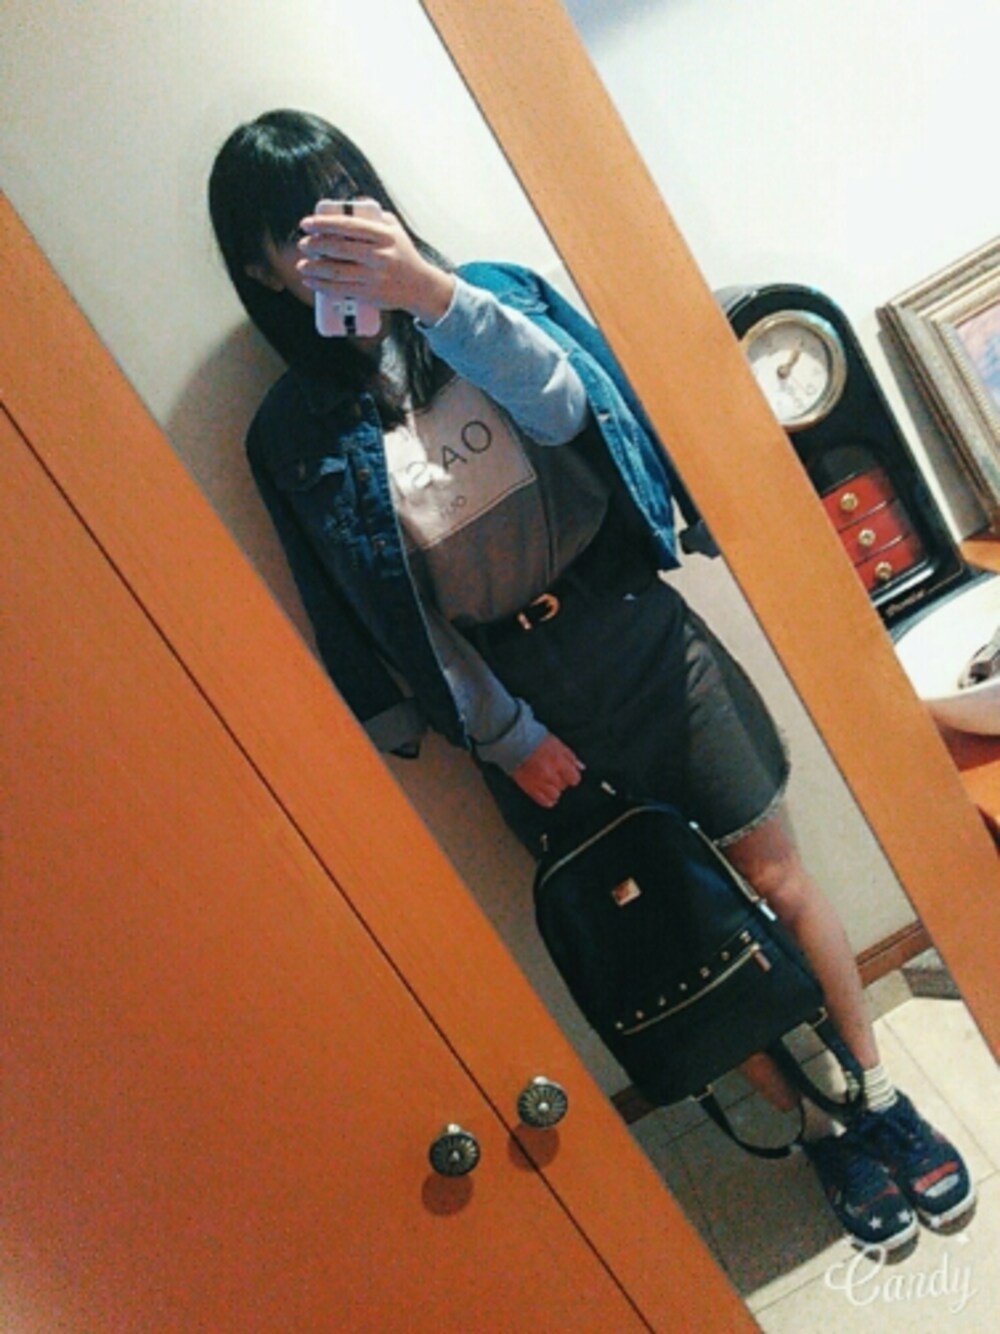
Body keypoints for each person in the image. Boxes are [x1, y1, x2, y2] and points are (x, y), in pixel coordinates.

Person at [208, 109, 973, 1252]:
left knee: (776, 873)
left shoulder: (487, 298)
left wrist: (433, 297)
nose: (331, 235)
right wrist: (506, 734)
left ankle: (875, 1093)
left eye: (342, 198)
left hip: (635, 630)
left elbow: (572, 409)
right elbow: (385, 609)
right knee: (670, 931)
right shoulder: (292, 431)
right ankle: (819, 1131)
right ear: (263, 267)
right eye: (295, 231)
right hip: (516, 702)